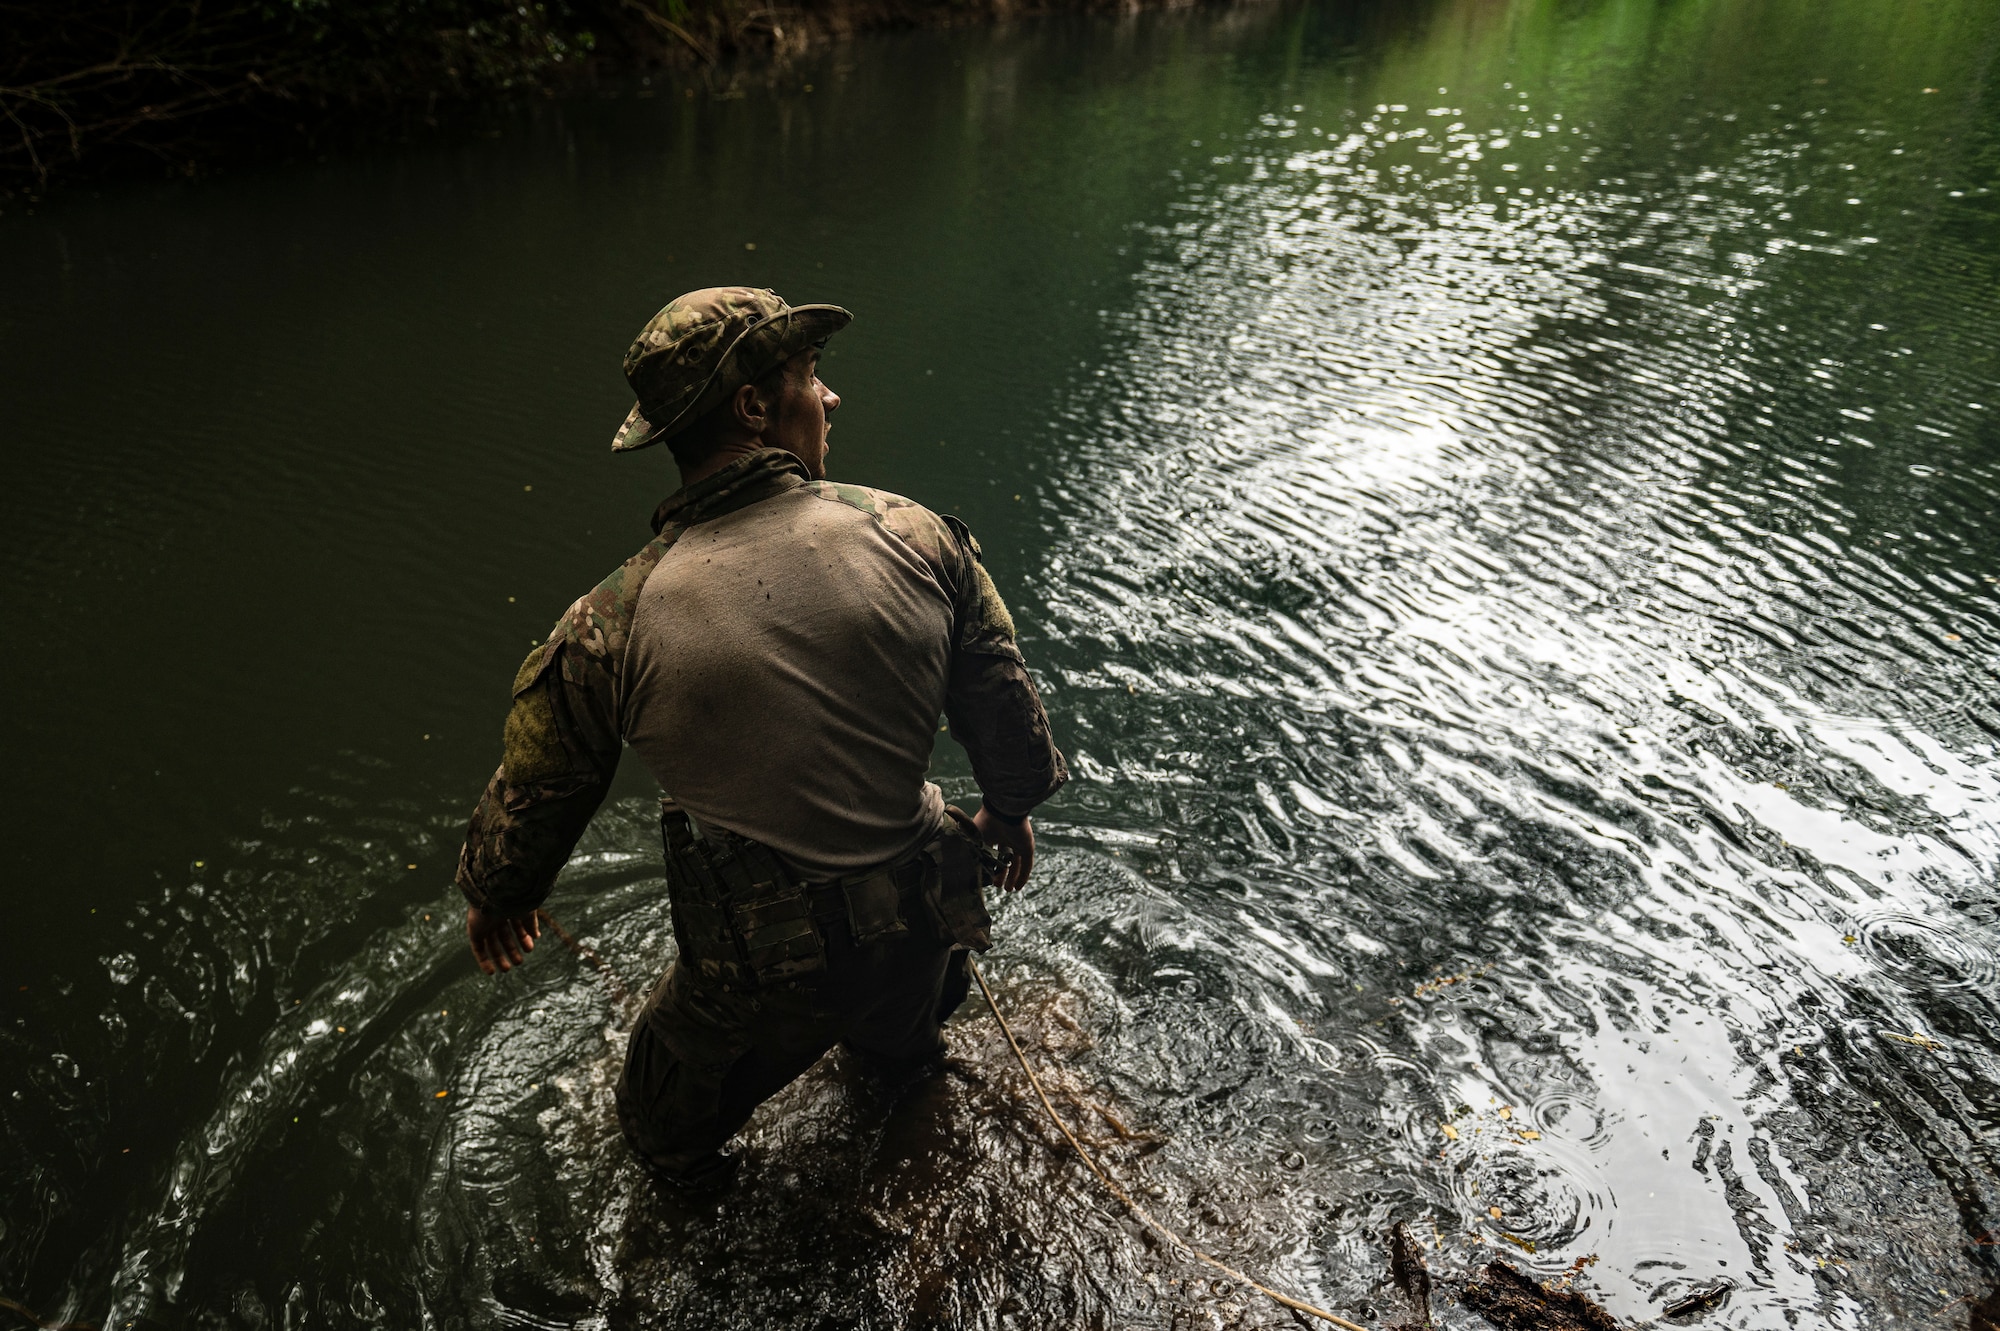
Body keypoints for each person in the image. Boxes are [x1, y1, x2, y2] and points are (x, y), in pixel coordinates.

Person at [452, 286, 1068, 1191]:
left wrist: (502, 894)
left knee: (655, 1131)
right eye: (811, 378)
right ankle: (909, 1099)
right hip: (923, 924)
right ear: (753, 407)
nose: (830, 399)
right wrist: (1008, 813)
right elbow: (1007, 716)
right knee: (900, 1055)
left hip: (763, 975)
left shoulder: (609, 624)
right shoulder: (916, 534)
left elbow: (542, 790)